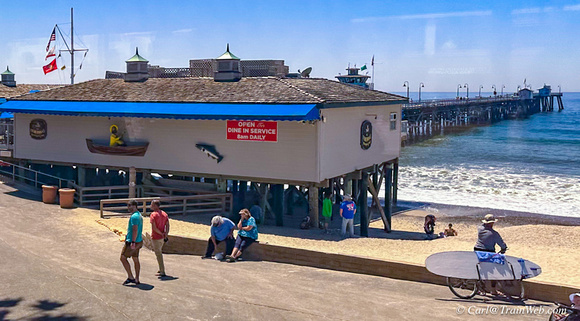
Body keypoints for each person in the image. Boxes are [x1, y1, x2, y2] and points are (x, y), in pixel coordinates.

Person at [473, 214, 507, 295]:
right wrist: (504, 248)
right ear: (492, 223)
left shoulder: (480, 229)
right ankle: (493, 290)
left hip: (477, 250)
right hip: (488, 252)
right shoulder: (494, 234)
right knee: (494, 269)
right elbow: (502, 244)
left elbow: (481, 225)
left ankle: (480, 288)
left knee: (482, 269)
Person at [120, 200, 143, 285]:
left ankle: (130, 277)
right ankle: (137, 278)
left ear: (134, 206)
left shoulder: (134, 217)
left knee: (123, 258)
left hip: (132, 242)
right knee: (135, 259)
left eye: (130, 205)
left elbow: (135, 229)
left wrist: (132, 241)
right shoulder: (139, 215)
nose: (128, 207)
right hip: (139, 241)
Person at [149, 200, 169, 277]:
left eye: (152, 205)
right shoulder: (164, 214)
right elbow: (167, 225)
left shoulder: (153, 215)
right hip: (162, 237)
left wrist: (160, 233)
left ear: (156, 206)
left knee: (158, 254)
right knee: (159, 252)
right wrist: (165, 234)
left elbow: (154, 227)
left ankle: (162, 271)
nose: (151, 206)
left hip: (156, 236)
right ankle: (160, 268)